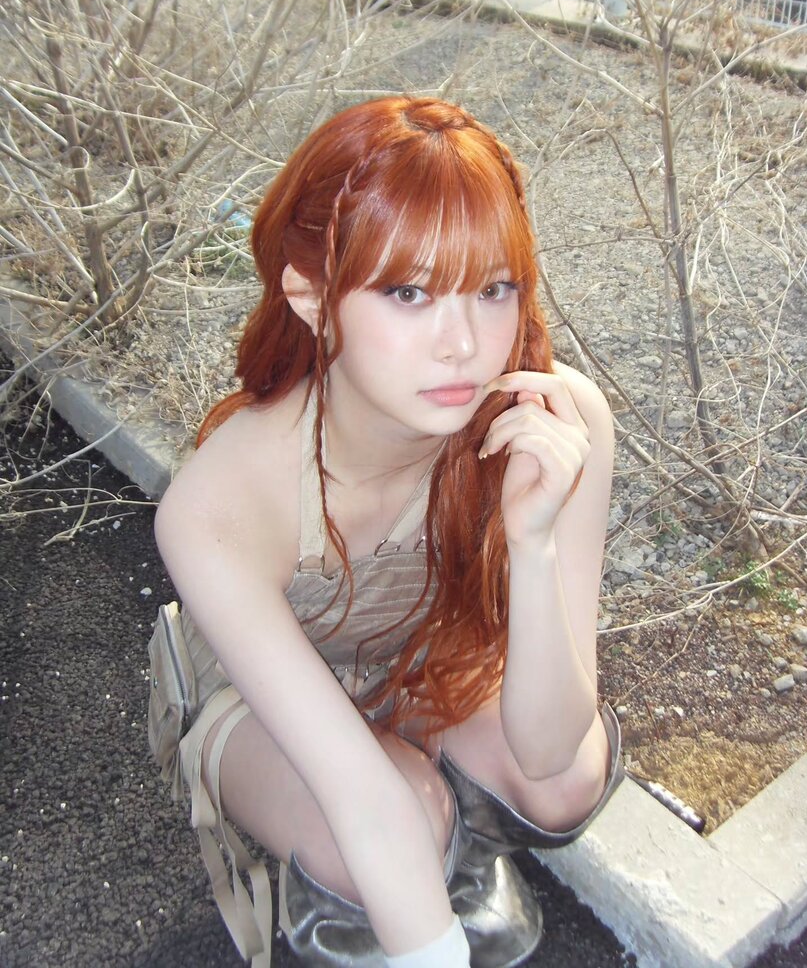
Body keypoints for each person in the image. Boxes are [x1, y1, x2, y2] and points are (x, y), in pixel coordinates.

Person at [152, 96, 624, 968]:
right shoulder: (220, 504)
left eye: (493, 289)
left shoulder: (557, 424)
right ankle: (395, 871)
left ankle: (445, 853)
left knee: (565, 777)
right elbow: (364, 801)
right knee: (398, 815)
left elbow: (551, 747)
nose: (462, 345)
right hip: (260, 701)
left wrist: (533, 542)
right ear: (311, 298)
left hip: (419, 656)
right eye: (408, 292)